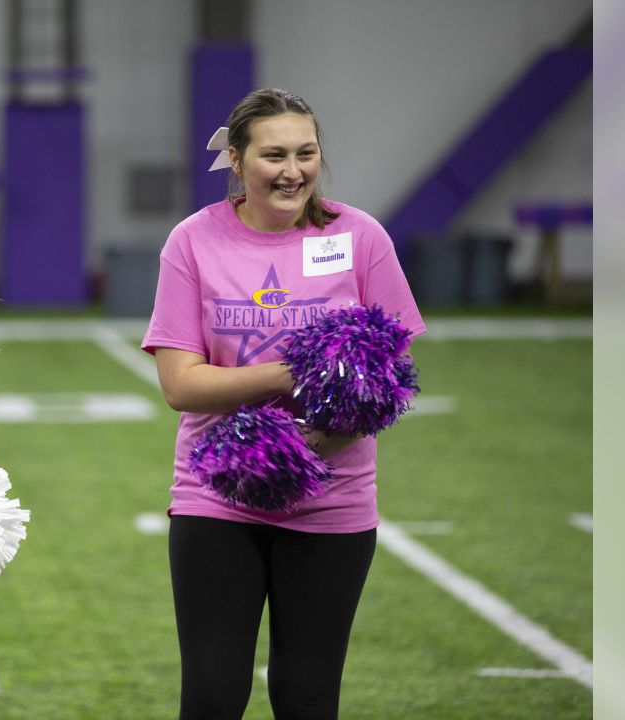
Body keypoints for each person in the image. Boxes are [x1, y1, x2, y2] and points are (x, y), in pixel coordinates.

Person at [142, 88, 427, 719]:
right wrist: (294, 374)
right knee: (214, 696)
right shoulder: (192, 241)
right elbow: (181, 385)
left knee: (306, 695)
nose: (292, 170)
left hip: (334, 498)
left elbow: (392, 370)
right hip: (215, 492)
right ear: (238, 162)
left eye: (306, 153)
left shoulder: (361, 238)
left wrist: (314, 444)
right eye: (274, 155)